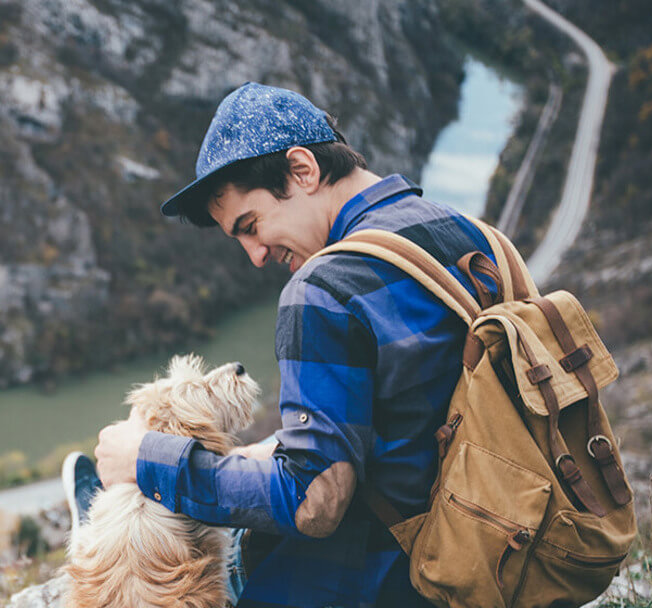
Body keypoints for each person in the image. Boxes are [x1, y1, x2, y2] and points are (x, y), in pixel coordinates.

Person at [72, 82, 502, 607]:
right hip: (492, 548)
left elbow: (314, 504)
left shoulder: (324, 287)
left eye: (251, 226)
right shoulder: (472, 237)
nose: (255, 255)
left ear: (303, 170)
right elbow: (408, 419)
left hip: (390, 576)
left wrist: (149, 460)